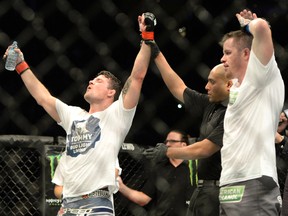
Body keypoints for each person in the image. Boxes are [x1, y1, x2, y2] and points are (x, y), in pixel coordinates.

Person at [3, 12, 156, 215]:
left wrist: (147, 36)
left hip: (97, 204)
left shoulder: (118, 115)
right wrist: (22, 65)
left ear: (111, 92)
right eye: (92, 79)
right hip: (68, 206)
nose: (91, 81)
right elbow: (43, 99)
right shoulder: (74, 115)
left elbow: (137, 77)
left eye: (99, 81)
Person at [143, 41, 231, 215]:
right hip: (202, 188)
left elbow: (204, 149)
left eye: (212, 82)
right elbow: (178, 87)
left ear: (228, 85)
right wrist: (157, 53)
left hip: (221, 189)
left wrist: (168, 152)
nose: (207, 87)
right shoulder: (210, 104)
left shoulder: (233, 113)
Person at [218, 9, 284, 215]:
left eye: (228, 52)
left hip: (254, 179)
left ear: (246, 54)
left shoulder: (262, 76)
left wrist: (250, 26)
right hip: (230, 182)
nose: (222, 59)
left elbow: (262, 28)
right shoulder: (237, 86)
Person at [118, 130, 195, 216]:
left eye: (172, 141)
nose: (167, 145)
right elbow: (143, 199)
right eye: (166, 141)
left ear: (183, 145)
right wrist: (121, 186)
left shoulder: (194, 169)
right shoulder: (159, 169)